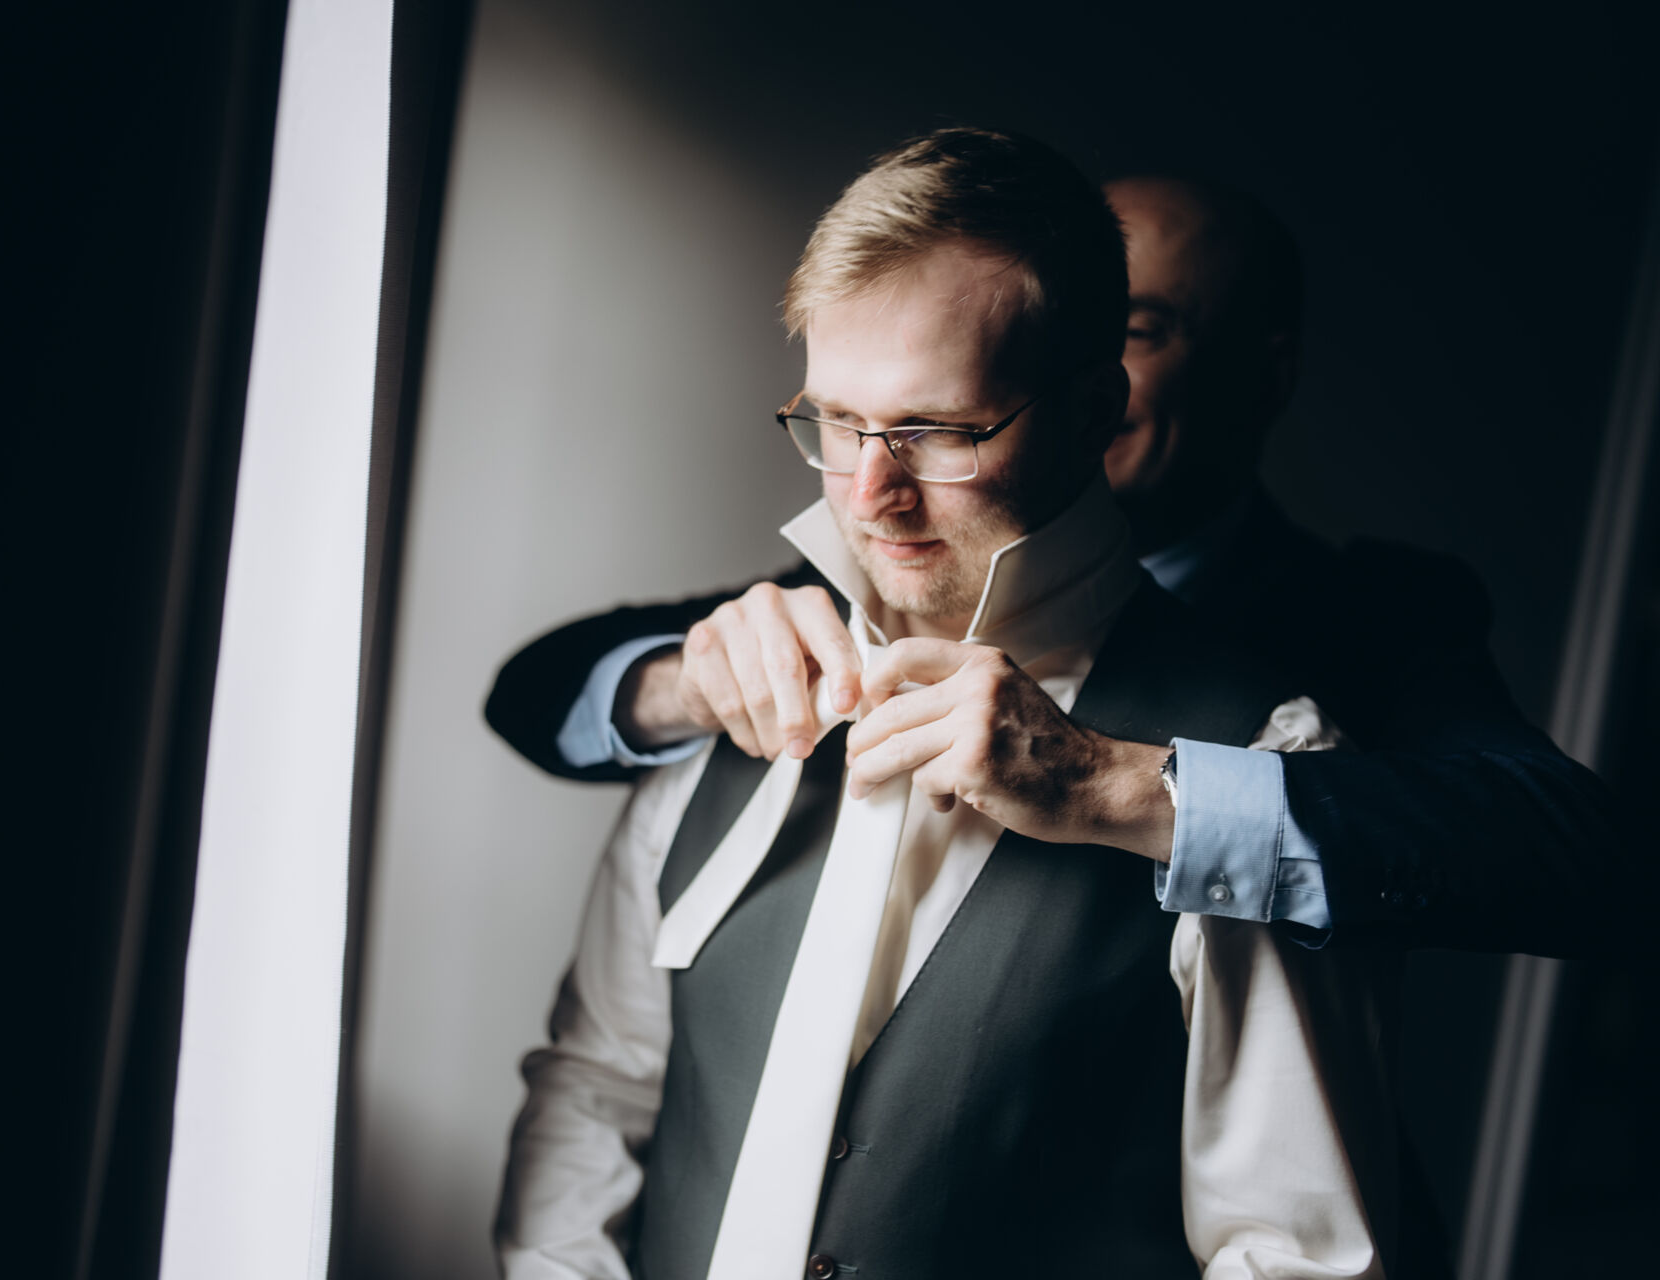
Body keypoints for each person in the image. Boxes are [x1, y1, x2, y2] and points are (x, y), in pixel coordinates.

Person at [496, 128, 1407, 1280]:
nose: (871, 492)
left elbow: (1297, 1256)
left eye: (938, 430)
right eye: (836, 421)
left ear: (1094, 410)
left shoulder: (1257, 764)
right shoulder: (734, 672)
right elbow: (598, 1088)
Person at [484, 175, 1620, 958]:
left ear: (1260, 377)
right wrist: (689, 681)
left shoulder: (1374, 611)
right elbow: (533, 694)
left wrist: (1114, 783)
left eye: (1140, 326)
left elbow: (1572, 862)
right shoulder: (892, 541)